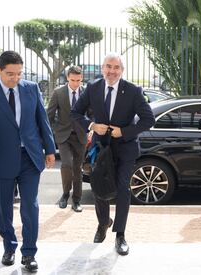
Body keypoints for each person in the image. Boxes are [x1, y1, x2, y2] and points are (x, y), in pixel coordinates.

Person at [0, 51, 56, 272]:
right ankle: (9, 246)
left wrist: (50, 149)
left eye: (19, 73)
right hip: (0, 161)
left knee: (30, 205)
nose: (15, 78)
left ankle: (29, 254)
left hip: (30, 157)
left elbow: (42, 120)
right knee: (4, 208)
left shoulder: (31, 88)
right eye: (10, 73)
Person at [71, 52, 155, 256]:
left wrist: (124, 131)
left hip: (125, 148)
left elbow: (148, 119)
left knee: (123, 189)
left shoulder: (133, 90)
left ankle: (120, 234)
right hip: (101, 149)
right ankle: (103, 224)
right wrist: (91, 125)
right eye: (108, 66)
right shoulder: (93, 88)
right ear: (102, 68)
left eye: (116, 67)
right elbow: (75, 113)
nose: (112, 71)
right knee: (99, 187)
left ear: (122, 70)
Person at [47, 65, 87, 212]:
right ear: (67, 78)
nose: (75, 83)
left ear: (81, 78)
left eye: (78, 80)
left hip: (81, 136)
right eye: (72, 80)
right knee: (66, 164)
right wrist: (51, 134)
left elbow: (92, 113)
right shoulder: (58, 93)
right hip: (63, 135)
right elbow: (49, 116)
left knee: (78, 168)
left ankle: (76, 200)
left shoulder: (86, 93)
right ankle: (65, 194)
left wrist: (91, 128)